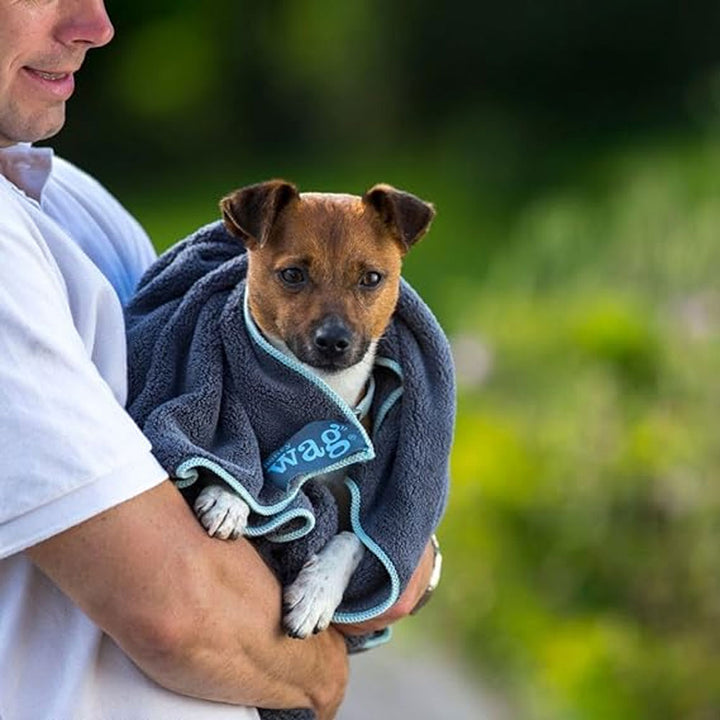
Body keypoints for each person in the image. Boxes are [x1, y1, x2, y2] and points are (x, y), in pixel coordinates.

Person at [0, 1, 437, 719]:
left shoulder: (72, 199)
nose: (96, 25)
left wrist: (404, 546)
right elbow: (177, 614)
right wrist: (322, 676)